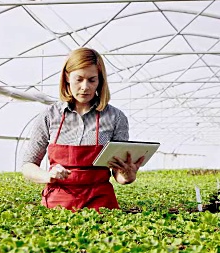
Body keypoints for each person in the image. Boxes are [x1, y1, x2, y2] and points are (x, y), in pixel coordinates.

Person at [21, 48, 144, 212]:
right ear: (67, 77)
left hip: (100, 202)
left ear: (100, 80)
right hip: (58, 203)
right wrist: (47, 175)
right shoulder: (49, 116)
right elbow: (28, 165)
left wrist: (127, 176)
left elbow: (118, 174)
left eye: (92, 80)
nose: (85, 87)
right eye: (79, 79)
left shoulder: (116, 118)